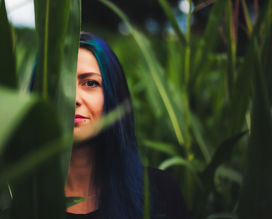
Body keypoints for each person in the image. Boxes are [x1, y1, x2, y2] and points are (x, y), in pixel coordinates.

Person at [64, 32, 189, 219]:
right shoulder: (14, 200)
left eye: (90, 83)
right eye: (62, 83)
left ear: (113, 96)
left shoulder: (161, 193)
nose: (74, 98)